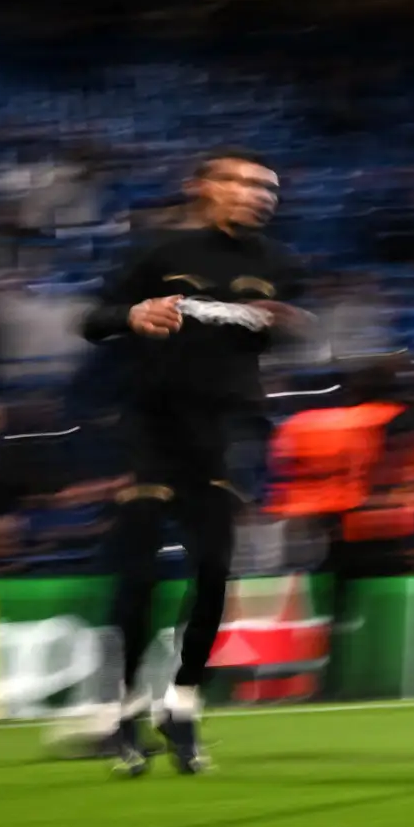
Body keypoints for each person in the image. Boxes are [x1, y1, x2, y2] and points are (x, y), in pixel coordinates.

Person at [77, 149, 304, 778]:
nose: (258, 195)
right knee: (140, 572)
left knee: (214, 571)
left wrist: (288, 325)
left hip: (228, 429)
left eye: (268, 187)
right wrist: (131, 315)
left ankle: (182, 703)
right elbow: (92, 322)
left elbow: (274, 334)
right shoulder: (159, 252)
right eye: (243, 182)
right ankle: (124, 710)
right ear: (202, 187)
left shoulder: (280, 263)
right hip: (154, 425)